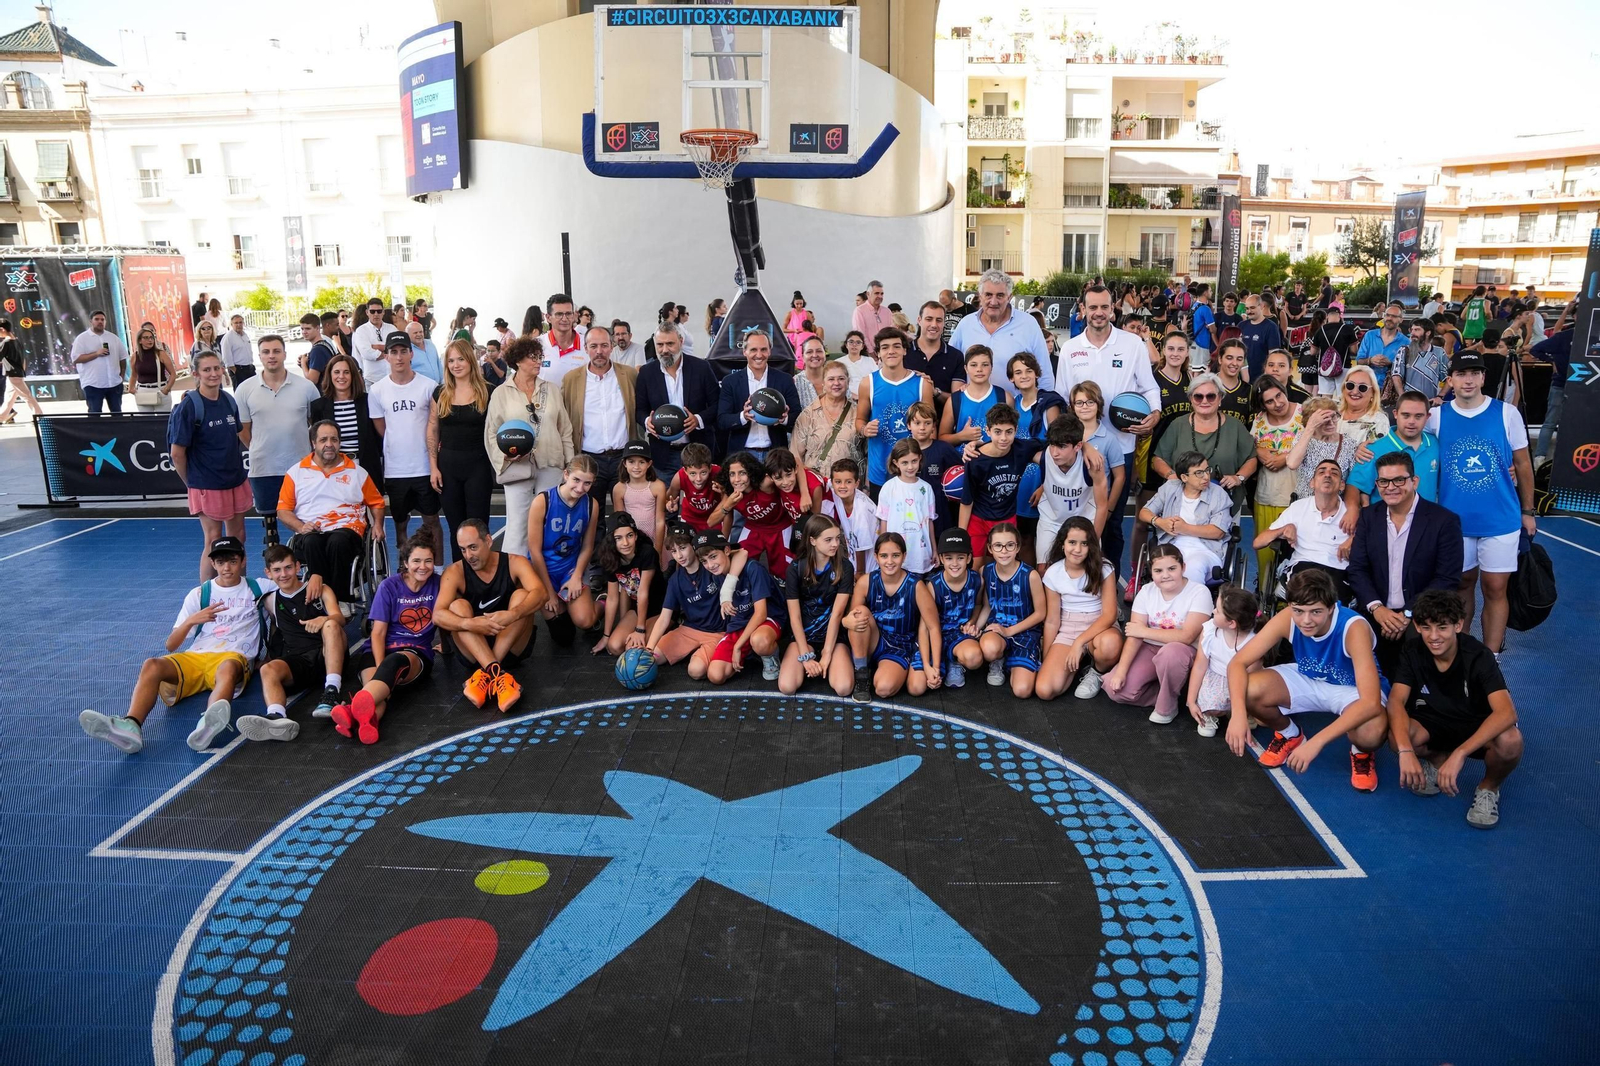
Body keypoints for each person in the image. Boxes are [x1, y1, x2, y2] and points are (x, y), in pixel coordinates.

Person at [79, 536, 262, 755]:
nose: (226, 568)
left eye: (232, 561)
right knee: (152, 665)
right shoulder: (199, 594)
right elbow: (171, 645)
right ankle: (131, 726)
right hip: (197, 657)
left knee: (228, 668)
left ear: (243, 560)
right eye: (221, 562)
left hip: (232, 656)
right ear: (213, 564)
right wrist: (191, 621)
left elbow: (288, 590)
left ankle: (208, 723)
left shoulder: (258, 588)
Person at [1225, 569, 1390, 793]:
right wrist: (1238, 714)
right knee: (1248, 690)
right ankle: (1290, 735)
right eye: (1299, 611)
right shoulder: (1288, 618)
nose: (1306, 620)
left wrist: (1316, 742)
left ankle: (1361, 752)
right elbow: (1237, 663)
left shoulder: (1353, 627)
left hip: (1353, 689)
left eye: (1316, 612)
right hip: (1310, 676)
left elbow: (1370, 702)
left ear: (1332, 607)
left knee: (1370, 731)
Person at [1427, 351, 1537, 657]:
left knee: (1495, 588)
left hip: (1500, 519)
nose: (1468, 380)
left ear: (1483, 377)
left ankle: (1491, 659)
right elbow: (1410, 445)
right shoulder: (1436, 417)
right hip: (1454, 521)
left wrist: (1528, 511)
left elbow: (1523, 464)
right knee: (1461, 585)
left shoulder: (1506, 414)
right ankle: (1460, 655)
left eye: (1475, 373)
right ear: (1450, 379)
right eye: (1461, 374)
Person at [1386, 589, 1524, 829]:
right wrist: (1406, 751)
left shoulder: (1478, 655)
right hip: (1436, 720)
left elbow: (1507, 713)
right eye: (1426, 627)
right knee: (1398, 736)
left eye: (1442, 627)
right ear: (1417, 626)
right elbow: (1396, 701)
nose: (1434, 636)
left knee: (1511, 741)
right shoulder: (1412, 650)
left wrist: (1461, 753)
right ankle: (1438, 761)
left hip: (1476, 723)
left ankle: (1489, 788)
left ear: (1458, 625)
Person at [1058, 284, 1162, 573]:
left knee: (1113, 521)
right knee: (1078, 516)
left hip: (1121, 447)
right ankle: (1076, 579)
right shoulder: (1070, 348)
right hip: (1081, 449)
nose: (1099, 312)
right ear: (1083, 310)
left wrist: (1154, 413)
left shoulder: (1132, 344)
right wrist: (1076, 442)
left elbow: (1150, 387)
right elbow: (1062, 398)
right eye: (1093, 307)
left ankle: (1109, 581)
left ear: (1113, 309)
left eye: (1104, 307)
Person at [1346, 450, 1463, 676]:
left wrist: (1408, 613)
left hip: (1422, 614)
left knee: (1413, 668)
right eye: (1384, 481)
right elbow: (1357, 570)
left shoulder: (1444, 521)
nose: (1390, 487)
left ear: (1414, 481)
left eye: (1399, 480)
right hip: (1375, 612)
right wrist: (1377, 608)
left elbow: (1447, 578)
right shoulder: (1368, 517)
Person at [333, 536, 440, 745]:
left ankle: (350, 710)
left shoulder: (438, 584)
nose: (423, 566)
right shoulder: (389, 586)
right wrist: (383, 669)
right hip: (377, 650)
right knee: (378, 693)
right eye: (417, 561)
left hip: (414, 652)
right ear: (406, 563)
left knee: (386, 674)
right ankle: (363, 724)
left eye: (428, 561)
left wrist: (448, 644)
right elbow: (378, 633)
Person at [235, 543, 347, 740]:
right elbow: (272, 630)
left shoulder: (320, 590)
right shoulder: (269, 601)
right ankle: (277, 717)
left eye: (288, 567)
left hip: (327, 654)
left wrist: (324, 619)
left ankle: (332, 691)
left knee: (331, 625)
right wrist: (265, 659)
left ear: (297, 567)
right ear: (268, 573)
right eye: (277, 570)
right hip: (298, 661)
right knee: (267, 669)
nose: (283, 574)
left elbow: (340, 618)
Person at [434, 518, 544, 711]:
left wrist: (512, 614)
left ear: (488, 541)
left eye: (473, 547)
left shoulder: (514, 562)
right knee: (458, 606)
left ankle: (486, 674)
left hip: (510, 646)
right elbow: (438, 615)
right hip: (473, 650)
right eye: (463, 549)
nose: (468, 555)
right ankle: (498, 675)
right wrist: (470, 624)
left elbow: (541, 593)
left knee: (522, 596)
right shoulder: (455, 572)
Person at [277, 420, 385, 609]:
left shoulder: (357, 472)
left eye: (334, 440)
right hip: (310, 531)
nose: (329, 444)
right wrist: (301, 527)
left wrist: (377, 524)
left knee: (337, 541)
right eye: (323, 440)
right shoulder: (296, 473)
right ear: (313, 443)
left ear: (339, 443)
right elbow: (283, 511)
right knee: (312, 541)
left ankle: (339, 600)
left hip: (347, 530)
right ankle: (323, 597)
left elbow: (376, 503)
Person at [485, 336, 574, 556]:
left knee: (551, 522)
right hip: (516, 467)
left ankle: (549, 571)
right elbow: (491, 433)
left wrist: (570, 465)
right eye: (533, 357)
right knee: (517, 526)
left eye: (540, 357)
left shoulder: (552, 389)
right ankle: (513, 573)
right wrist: (505, 457)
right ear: (518, 361)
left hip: (551, 463)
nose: (538, 361)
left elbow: (565, 429)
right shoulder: (501, 392)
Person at [1104, 543, 1210, 724]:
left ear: (1183, 567)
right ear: (1151, 573)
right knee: (1116, 690)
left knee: (1170, 654)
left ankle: (1167, 705)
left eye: (1172, 568)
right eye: (1158, 571)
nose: (1165, 575)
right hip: (1150, 647)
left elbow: (1187, 636)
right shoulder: (1146, 591)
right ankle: (1169, 692)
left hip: (1182, 650)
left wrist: (1144, 631)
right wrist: (1121, 671)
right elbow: (1135, 636)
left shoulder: (1199, 592)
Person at [169, 352, 251, 580]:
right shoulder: (189, 406)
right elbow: (177, 454)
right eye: (207, 370)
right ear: (195, 374)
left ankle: (240, 589)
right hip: (207, 484)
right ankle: (207, 595)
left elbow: (238, 435)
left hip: (235, 480)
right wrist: (193, 483)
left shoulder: (228, 400)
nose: (214, 373)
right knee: (213, 540)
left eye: (217, 368)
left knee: (238, 538)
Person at [236, 334, 320, 547]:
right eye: (266, 352)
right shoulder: (244, 389)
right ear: (259, 356)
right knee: (271, 535)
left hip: (301, 469)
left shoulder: (306, 387)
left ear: (284, 354)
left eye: (276, 351)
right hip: (263, 469)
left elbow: (317, 428)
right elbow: (243, 431)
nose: (271, 356)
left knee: (305, 525)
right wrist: (260, 448)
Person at [370, 331, 444, 556]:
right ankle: (405, 569)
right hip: (396, 470)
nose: (399, 357)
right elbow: (382, 428)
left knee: (432, 521)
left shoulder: (429, 386)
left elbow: (435, 426)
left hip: (424, 468)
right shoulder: (377, 390)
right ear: (386, 356)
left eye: (403, 351)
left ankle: (438, 569)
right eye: (394, 352)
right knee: (400, 523)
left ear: (412, 354)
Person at [1035, 517, 1123, 701]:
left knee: (1109, 645)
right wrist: (1048, 657)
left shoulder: (1105, 568)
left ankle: (1097, 671)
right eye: (1072, 542)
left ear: (1091, 546)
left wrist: (1079, 642)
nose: (1077, 549)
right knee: (1044, 690)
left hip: (1099, 625)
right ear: (1062, 544)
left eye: (1084, 543)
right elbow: (1052, 620)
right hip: (1068, 628)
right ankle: (1080, 660)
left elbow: (1109, 615)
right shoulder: (1053, 573)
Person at [423, 340, 495, 563]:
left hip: (478, 467)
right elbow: (432, 429)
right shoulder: (440, 393)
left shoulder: (488, 391)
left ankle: (483, 573)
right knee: (456, 528)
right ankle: (460, 575)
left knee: (478, 527)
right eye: (451, 360)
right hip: (448, 468)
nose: (456, 365)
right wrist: (433, 467)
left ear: (470, 360)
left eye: (460, 359)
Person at [845, 532, 931, 700]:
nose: (889, 561)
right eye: (884, 556)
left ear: (904, 556)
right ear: (876, 557)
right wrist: (845, 621)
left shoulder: (916, 585)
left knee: (883, 688)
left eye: (895, 555)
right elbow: (852, 619)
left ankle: (897, 670)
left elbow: (932, 626)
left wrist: (928, 664)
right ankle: (862, 674)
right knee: (859, 613)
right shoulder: (866, 581)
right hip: (875, 641)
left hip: (900, 646)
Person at [777, 515, 855, 697]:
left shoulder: (845, 567)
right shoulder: (795, 568)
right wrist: (805, 656)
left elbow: (837, 614)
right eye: (828, 540)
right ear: (812, 541)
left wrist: (827, 653)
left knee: (843, 688)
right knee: (787, 687)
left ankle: (831, 661)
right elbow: (794, 616)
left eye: (837, 538)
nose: (835, 544)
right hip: (804, 636)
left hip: (834, 637)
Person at [560, 325, 638, 507]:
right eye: (593, 346)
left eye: (604, 345)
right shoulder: (571, 379)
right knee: (592, 514)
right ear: (585, 348)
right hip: (589, 460)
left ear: (612, 346)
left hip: (623, 458)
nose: (599, 351)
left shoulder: (629, 375)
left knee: (626, 513)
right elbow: (564, 420)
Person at [528, 456, 601, 643]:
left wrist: (577, 576)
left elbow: (587, 546)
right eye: (576, 480)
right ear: (566, 474)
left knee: (585, 621)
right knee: (564, 637)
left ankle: (602, 603)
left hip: (569, 568)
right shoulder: (543, 501)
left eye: (587, 483)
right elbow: (534, 551)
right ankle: (563, 602)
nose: (580, 488)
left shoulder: (591, 505)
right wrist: (549, 593)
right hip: (544, 570)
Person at [693, 529, 783, 684]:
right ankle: (750, 652)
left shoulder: (753, 568)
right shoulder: (717, 574)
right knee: (716, 676)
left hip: (766, 620)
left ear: (727, 550)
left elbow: (760, 614)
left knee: (760, 641)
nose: (710, 565)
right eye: (704, 561)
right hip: (740, 623)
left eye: (713, 556)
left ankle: (770, 654)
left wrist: (738, 646)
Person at [1151, 373, 1257, 502]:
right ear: (1191, 399)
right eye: (1198, 396)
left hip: (1225, 501)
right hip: (1181, 500)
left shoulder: (1235, 425)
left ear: (1220, 398)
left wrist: (1238, 478)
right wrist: (1171, 475)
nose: (1204, 401)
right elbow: (1158, 459)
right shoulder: (1177, 425)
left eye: (1211, 396)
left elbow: (1251, 459)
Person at [957, 404, 1043, 563]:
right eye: (998, 432)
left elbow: (1055, 446)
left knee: (1002, 563)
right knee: (975, 566)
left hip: (1006, 518)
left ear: (1016, 430)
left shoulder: (1023, 448)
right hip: (978, 519)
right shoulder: (975, 459)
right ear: (988, 431)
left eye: (1009, 432)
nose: (1003, 438)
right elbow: (967, 500)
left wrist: (1044, 486)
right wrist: (962, 535)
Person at [1259, 458, 1353, 598]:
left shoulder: (1351, 514)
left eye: (1334, 473)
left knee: (1335, 596)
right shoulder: (1298, 507)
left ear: (1342, 485)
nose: (1327, 475)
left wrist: (1354, 539)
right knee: (1304, 592)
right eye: (1322, 472)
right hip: (1303, 566)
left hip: (1338, 569)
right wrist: (1284, 528)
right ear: (1312, 483)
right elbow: (1258, 542)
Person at [637, 320, 718, 480]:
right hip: (663, 455)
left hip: (699, 454)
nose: (665, 350)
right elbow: (639, 410)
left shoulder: (702, 368)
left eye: (670, 344)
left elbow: (718, 404)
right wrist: (647, 422)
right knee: (666, 497)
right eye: (660, 345)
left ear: (681, 341)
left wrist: (698, 419)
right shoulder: (646, 373)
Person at [857, 327, 935, 493]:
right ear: (878, 353)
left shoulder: (922, 384)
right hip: (880, 469)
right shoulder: (868, 383)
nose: (891, 351)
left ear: (905, 350)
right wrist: (865, 429)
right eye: (885, 347)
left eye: (896, 346)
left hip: (914, 469)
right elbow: (859, 420)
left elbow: (931, 427)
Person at [974, 522, 1045, 696]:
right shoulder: (985, 571)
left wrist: (1009, 631)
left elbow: (1040, 613)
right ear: (990, 548)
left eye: (1010, 545)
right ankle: (998, 660)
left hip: (1024, 632)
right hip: (997, 629)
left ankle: (1015, 661)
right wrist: (976, 626)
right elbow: (988, 606)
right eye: (998, 545)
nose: (1004, 551)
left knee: (1022, 690)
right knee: (989, 648)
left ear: (1018, 547)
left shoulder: (1030, 575)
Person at [1140, 450, 1233, 584]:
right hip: (1171, 546)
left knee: (1194, 566)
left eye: (1207, 470)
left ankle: (1190, 597)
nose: (1206, 476)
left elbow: (1218, 532)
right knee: (1166, 567)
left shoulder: (1218, 493)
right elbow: (1144, 512)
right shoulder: (1170, 488)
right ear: (1184, 477)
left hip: (1206, 549)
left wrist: (1184, 528)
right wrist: (1159, 522)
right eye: (1199, 473)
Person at [954, 269, 1056, 390]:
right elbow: (952, 365)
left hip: (1017, 402)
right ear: (980, 296)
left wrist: (1046, 400)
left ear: (1009, 297)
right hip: (973, 401)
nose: (993, 302)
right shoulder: (966, 324)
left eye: (1000, 295)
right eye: (988, 295)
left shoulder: (1028, 324)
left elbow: (1044, 371)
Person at [1185, 586, 1259, 738]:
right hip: (1216, 677)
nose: (1213, 611)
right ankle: (1211, 714)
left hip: (1243, 679)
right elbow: (1200, 665)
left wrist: (1240, 710)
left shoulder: (1254, 640)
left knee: (1254, 693)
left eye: (1217, 611)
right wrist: (1191, 701)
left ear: (1231, 623)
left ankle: (1242, 712)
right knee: (1212, 705)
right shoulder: (1210, 630)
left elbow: (1252, 673)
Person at [1032, 413, 1107, 560]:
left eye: (1062, 447)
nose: (1055, 453)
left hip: (1084, 521)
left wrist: (1093, 541)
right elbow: (1010, 448)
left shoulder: (1092, 465)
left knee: (1089, 567)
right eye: (1052, 445)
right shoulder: (1042, 456)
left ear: (1078, 446)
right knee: (1043, 569)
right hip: (1051, 520)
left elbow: (1102, 506)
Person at [591, 511, 665, 658]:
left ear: (636, 535)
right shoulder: (609, 558)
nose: (625, 543)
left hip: (661, 608)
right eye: (618, 538)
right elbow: (613, 598)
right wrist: (606, 636)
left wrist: (640, 629)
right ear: (611, 540)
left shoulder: (647, 552)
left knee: (632, 650)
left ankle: (672, 626)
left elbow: (643, 592)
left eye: (629, 536)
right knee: (614, 646)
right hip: (637, 608)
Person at [710, 451, 794, 579]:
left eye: (742, 473)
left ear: (751, 472)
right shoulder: (731, 493)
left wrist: (805, 493)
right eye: (732, 474)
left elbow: (795, 466)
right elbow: (711, 521)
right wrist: (728, 505)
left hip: (780, 527)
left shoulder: (765, 484)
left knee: (785, 572)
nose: (737, 479)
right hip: (754, 528)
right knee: (739, 563)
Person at [1346, 391, 1440, 505]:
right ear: (1395, 414)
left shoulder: (1435, 444)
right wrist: (1355, 510)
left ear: (1427, 417)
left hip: (1427, 515)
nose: (1411, 421)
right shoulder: (1374, 449)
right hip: (1385, 516)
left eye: (1418, 416)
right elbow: (1355, 486)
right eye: (1406, 415)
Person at [717, 331, 800, 457]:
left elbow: (797, 416)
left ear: (770, 351)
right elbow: (722, 420)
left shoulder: (785, 380)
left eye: (764, 349)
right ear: (744, 351)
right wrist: (743, 417)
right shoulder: (730, 382)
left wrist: (784, 419)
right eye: (753, 350)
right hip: (742, 455)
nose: (759, 355)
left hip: (775, 456)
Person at [309, 353, 384, 491]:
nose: (341, 376)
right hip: (334, 469)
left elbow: (378, 437)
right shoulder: (318, 406)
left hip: (366, 467)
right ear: (330, 375)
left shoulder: (368, 401)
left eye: (346, 372)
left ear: (353, 375)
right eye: (336, 372)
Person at [875, 438, 938, 576]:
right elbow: (883, 521)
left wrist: (934, 549)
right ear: (896, 462)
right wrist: (883, 550)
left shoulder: (926, 488)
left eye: (914, 461)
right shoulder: (888, 488)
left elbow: (929, 521)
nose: (910, 467)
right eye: (905, 462)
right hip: (895, 555)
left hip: (920, 554)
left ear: (920, 458)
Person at [792, 360, 862, 483]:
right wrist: (803, 488)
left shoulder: (858, 413)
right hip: (816, 486)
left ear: (848, 382)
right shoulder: (808, 415)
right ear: (823, 383)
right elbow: (796, 455)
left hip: (848, 486)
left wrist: (866, 487)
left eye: (841, 378)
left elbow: (869, 453)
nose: (836, 383)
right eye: (831, 379)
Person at [1286, 396, 1360, 502]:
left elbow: (1353, 482)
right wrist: (1310, 427)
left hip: (1334, 505)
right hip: (1305, 504)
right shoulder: (1303, 438)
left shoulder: (1348, 443)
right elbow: (1292, 463)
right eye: (1324, 419)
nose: (1331, 423)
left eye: (1333, 417)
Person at [904, 401, 962, 532]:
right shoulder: (902, 451)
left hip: (941, 515)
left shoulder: (944, 449)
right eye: (917, 423)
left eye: (927, 423)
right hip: (911, 513)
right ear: (908, 425)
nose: (922, 427)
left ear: (934, 426)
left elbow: (962, 474)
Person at [1528, 305, 1575, 462]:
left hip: (1581, 387)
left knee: (1564, 423)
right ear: (1575, 317)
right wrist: (1551, 360)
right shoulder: (1564, 337)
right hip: (1562, 384)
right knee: (1551, 422)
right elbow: (1535, 350)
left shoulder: (1590, 337)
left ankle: (1558, 458)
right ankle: (1540, 457)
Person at [938, 344, 1009, 448]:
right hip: (962, 457)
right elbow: (942, 439)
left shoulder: (1004, 397)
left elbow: (1012, 433)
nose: (979, 369)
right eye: (973, 365)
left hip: (995, 457)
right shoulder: (955, 400)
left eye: (985, 365)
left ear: (991, 367)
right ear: (966, 368)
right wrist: (961, 436)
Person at [821, 457, 878, 575]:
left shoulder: (861, 510)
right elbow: (817, 477)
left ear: (856, 483)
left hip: (870, 567)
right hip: (854, 559)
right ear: (833, 482)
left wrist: (859, 574)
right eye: (838, 482)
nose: (842, 486)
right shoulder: (837, 490)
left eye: (848, 482)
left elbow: (861, 547)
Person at [71, 309, 129, 414]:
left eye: (102, 320)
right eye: (97, 319)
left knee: (117, 414)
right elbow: (76, 359)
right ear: (91, 321)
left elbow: (122, 358)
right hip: (93, 384)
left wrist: (121, 376)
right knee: (95, 413)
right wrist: (96, 354)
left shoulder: (113, 338)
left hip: (114, 383)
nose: (100, 322)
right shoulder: (82, 338)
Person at [905, 300, 966, 396]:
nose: (934, 325)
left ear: (944, 323)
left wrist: (935, 392)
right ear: (919, 320)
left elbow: (957, 399)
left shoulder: (956, 356)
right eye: (929, 319)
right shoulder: (904, 351)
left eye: (939, 320)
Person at [612, 439, 666, 547]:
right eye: (631, 462)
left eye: (641, 462)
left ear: (649, 464)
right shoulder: (619, 488)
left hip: (654, 538)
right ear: (624, 463)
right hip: (631, 541)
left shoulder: (658, 487)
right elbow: (620, 522)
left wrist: (658, 549)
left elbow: (660, 521)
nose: (636, 467)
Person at [1386, 320, 1449, 409]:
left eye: (1417, 330)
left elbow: (1449, 378)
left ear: (1428, 333)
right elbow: (1396, 375)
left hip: (1430, 404)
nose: (1412, 333)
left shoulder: (1439, 352)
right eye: (1412, 330)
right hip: (1408, 403)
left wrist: (1440, 396)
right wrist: (1402, 396)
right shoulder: (1404, 351)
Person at [1007, 352, 1065, 442]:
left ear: (1036, 374)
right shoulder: (1014, 402)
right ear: (1011, 378)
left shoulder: (1049, 403)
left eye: (1029, 371)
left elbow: (1056, 441)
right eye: (1018, 373)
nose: (1024, 376)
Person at [665, 443, 722, 532]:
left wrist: (724, 492)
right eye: (693, 473)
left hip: (715, 518)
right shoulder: (679, 477)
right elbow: (667, 498)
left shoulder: (719, 474)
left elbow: (729, 501)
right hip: (689, 519)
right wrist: (670, 504)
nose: (698, 479)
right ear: (685, 471)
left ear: (710, 468)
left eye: (703, 472)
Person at [1310, 303, 1360, 396]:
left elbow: (1313, 352)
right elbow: (1354, 350)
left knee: (1326, 397)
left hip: (1325, 368)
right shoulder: (1348, 329)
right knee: (1343, 396)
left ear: (1327, 316)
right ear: (1339, 316)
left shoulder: (1320, 330)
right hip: (1343, 367)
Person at [127, 324, 178, 412]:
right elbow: (134, 375)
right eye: (146, 338)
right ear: (140, 340)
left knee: (162, 419)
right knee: (146, 419)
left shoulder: (161, 354)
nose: (150, 340)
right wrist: (131, 387)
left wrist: (166, 389)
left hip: (160, 389)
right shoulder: (135, 356)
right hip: (143, 391)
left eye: (151, 337)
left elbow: (173, 374)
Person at [1355, 301, 1406, 390]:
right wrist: (1370, 360)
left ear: (1401, 319)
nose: (1389, 318)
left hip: (1391, 389)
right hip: (1368, 387)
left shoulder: (1406, 342)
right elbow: (1359, 361)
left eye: (1394, 316)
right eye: (1387, 315)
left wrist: (1391, 364)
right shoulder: (1370, 335)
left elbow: (1407, 369)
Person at [0, 318, 42, 423]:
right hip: (17, 373)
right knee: (9, 398)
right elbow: (23, 359)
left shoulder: (6, 343)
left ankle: (39, 415)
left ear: (2, 329)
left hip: (13, 374)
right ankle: (1, 417)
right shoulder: (17, 341)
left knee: (27, 396)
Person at [1237, 294, 1284, 380]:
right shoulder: (1241, 326)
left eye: (1252, 308)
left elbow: (1273, 355)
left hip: (1260, 378)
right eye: (1247, 308)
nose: (1249, 311)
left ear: (1262, 306)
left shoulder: (1271, 327)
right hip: (1241, 378)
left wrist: (1266, 377)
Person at [353, 299, 399, 384]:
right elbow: (367, 353)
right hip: (372, 379)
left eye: (379, 311)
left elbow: (398, 348)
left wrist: (376, 347)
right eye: (372, 311)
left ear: (383, 312)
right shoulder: (361, 330)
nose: (376, 314)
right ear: (367, 312)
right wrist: (389, 351)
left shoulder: (392, 328)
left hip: (393, 377)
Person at [1211, 338, 1253, 424]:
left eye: (1239, 359)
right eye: (1229, 358)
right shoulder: (1206, 386)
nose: (1234, 363)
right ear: (1220, 359)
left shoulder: (1250, 391)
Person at [851, 280, 895, 353]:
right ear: (868, 294)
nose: (880, 296)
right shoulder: (859, 311)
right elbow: (860, 334)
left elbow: (891, 332)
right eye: (876, 293)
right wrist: (871, 352)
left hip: (885, 353)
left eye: (882, 294)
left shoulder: (887, 311)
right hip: (867, 354)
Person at [792, 333, 830, 410]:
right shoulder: (795, 382)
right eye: (809, 352)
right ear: (803, 357)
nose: (815, 355)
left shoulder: (836, 378)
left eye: (819, 351)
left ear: (825, 354)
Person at [301, 312, 338, 387]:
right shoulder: (325, 344)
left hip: (323, 391)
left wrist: (303, 363)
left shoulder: (317, 350)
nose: (304, 332)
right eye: (302, 329)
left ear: (317, 328)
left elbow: (312, 380)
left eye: (308, 328)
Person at [838, 329, 877, 400]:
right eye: (851, 342)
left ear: (862, 346)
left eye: (858, 342)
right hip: (845, 399)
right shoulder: (838, 362)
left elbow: (876, 381)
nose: (854, 345)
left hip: (869, 398)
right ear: (846, 345)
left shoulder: (870, 361)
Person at [219, 313, 255, 389]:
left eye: (240, 322)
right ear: (231, 324)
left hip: (249, 368)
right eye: (236, 323)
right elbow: (226, 356)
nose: (238, 325)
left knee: (252, 390)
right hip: (238, 369)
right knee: (240, 391)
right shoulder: (228, 337)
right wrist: (234, 370)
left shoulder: (245, 335)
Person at [406, 320, 443, 384]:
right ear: (408, 335)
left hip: (438, 386)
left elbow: (438, 364)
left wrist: (443, 382)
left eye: (421, 332)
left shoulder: (430, 344)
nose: (419, 334)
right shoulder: (406, 351)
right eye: (415, 333)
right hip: (420, 388)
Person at [1190, 284, 1216, 365]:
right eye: (1210, 291)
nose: (1211, 292)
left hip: (1193, 342)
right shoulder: (1205, 309)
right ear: (1205, 293)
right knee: (1202, 370)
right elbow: (1213, 330)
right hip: (1202, 343)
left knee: (1192, 369)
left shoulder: (1194, 306)